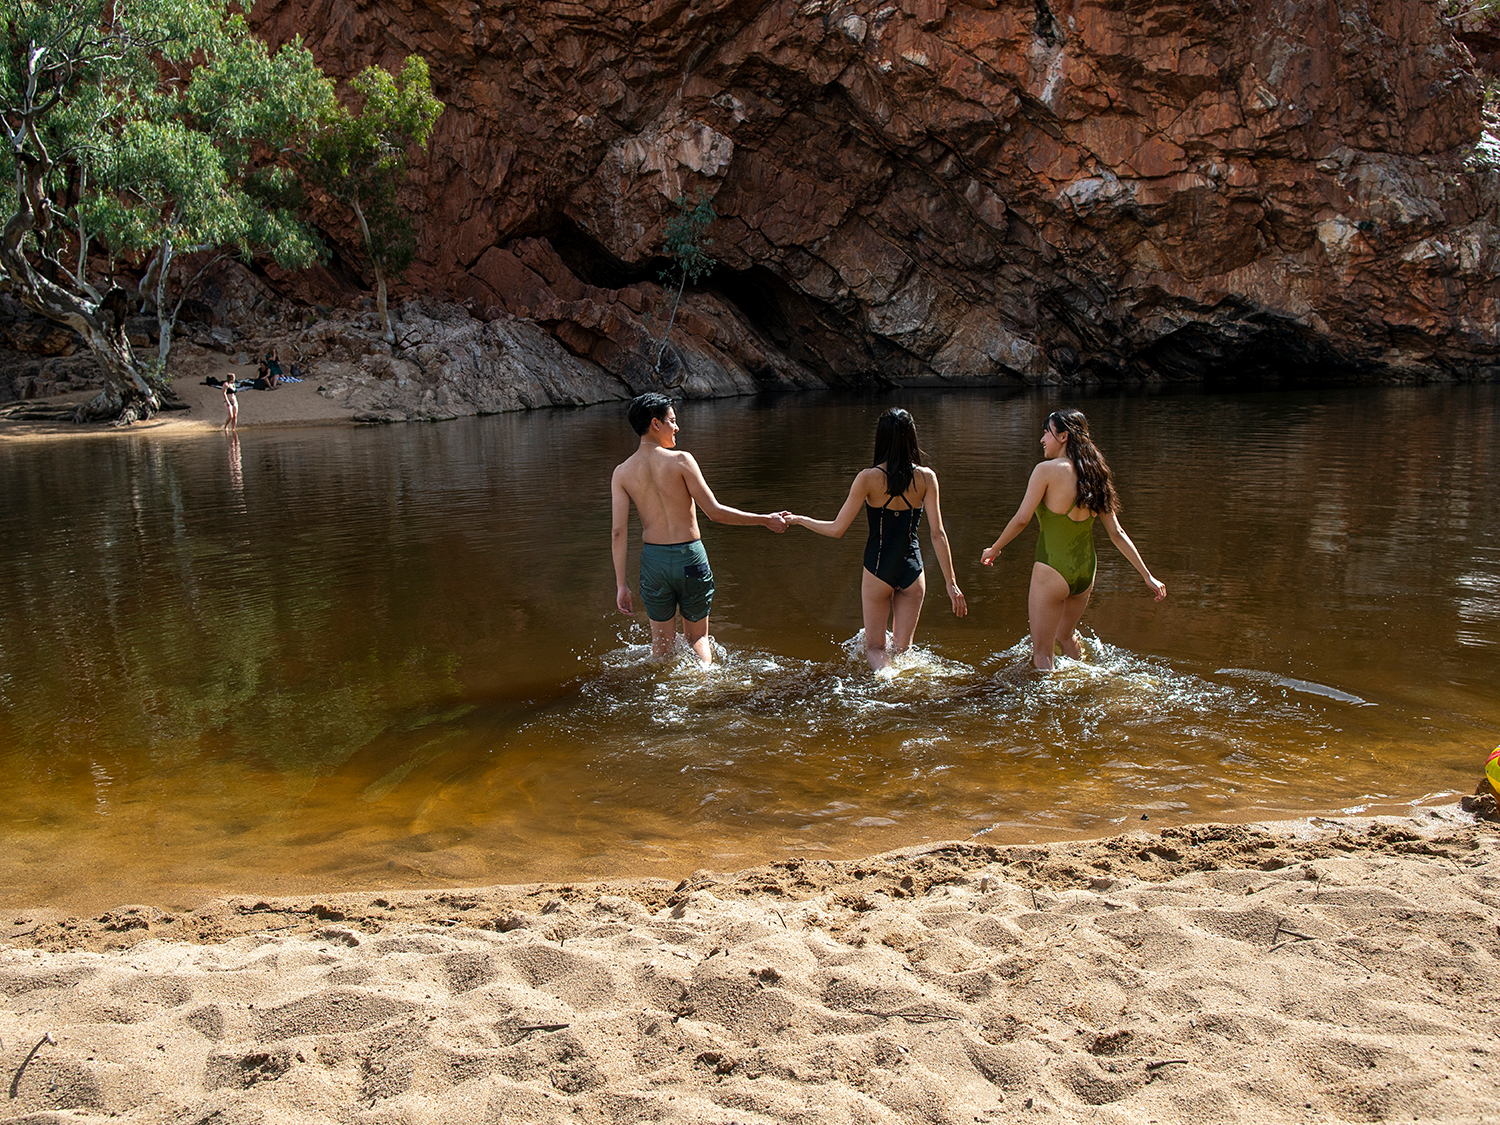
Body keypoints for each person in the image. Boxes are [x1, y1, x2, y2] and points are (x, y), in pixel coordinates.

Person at [980, 408, 1165, 671]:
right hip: (1085, 571)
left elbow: (1022, 519)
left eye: (1047, 432)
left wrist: (995, 548)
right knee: (1065, 637)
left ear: (1064, 436)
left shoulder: (1046, 471)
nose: (1042, 439)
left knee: (1042, 654)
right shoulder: (1095, 473)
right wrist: (1148, 576)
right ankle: (1085, 685)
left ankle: (1046, 705)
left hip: (1052, 568)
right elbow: (1117, 533)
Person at [783, 407, 966, 671]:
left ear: (880, 438)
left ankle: (886, 679)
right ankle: (902, 686)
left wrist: (800, 520)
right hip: (913, 570)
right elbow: (937, 533)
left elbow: (837, 529)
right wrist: (951, 583)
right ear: (911, 437)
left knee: (875, 648)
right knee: (904, 650)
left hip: (878, 568)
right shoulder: (927, 478)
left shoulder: (868, 479)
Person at [611, 393, 788, 666]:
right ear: (655, 423)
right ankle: (704, 686)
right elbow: (715, 512)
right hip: (690, 559)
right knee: (697, 639)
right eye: (672, 421)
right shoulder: (681, 460)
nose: (677, 427)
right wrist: (765, 519)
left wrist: (622, 584)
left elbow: (618, 532)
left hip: (654, 563)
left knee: (661, 648)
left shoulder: (622, 472)